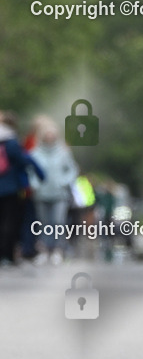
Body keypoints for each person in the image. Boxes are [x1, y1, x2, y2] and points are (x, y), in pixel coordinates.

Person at [29, 122, 78, 265]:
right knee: (43, 222)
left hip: (59, 193)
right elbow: (31, 171)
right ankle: (43, 250)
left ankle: (57, 250)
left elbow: (72, 170)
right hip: (41, 193)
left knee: (58, 221)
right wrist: (34, 183)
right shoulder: (35, 153)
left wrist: (64, 181)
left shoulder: (63, 152)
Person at [0, 112, 45, 266]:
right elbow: (22, 160)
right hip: (10, 187)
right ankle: (7, 255)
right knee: (10, 221)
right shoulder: (11, 141)